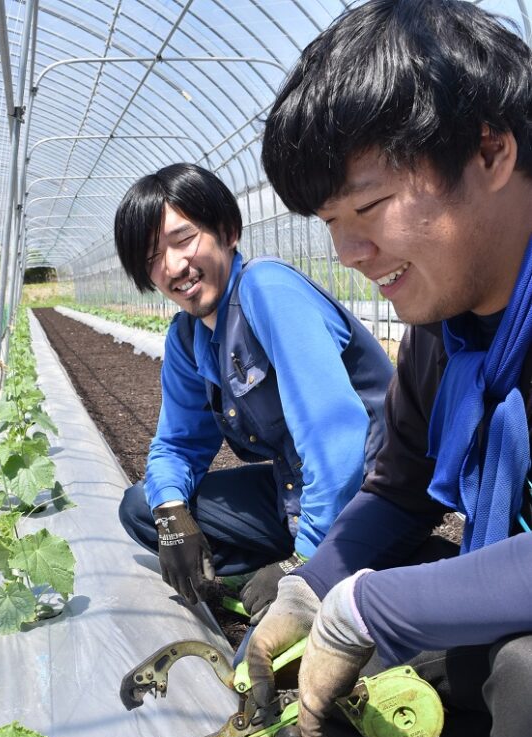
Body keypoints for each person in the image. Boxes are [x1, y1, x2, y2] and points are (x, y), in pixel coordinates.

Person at [250, 0, 532, 737]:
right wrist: (308, 588)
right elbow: (397, 489)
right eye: (332, 226)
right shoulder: (442, 332)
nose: (350, 251)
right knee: (334, 667)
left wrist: (374, 609)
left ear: (489, 152)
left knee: (525, 675)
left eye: (365, 209)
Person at [114, 163, 393, 620]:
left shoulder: (267, 288)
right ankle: (298, 565)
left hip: (373, 491)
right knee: (143, 509)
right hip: (296, 491)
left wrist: (304, 567)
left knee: (322, 585)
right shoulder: (188, 337)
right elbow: (177, 444)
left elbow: (338, 446)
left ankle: (371, 566)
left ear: (227, 231)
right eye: (151, 257)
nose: (172, 267)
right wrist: (172, 518)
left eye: (183, 240)